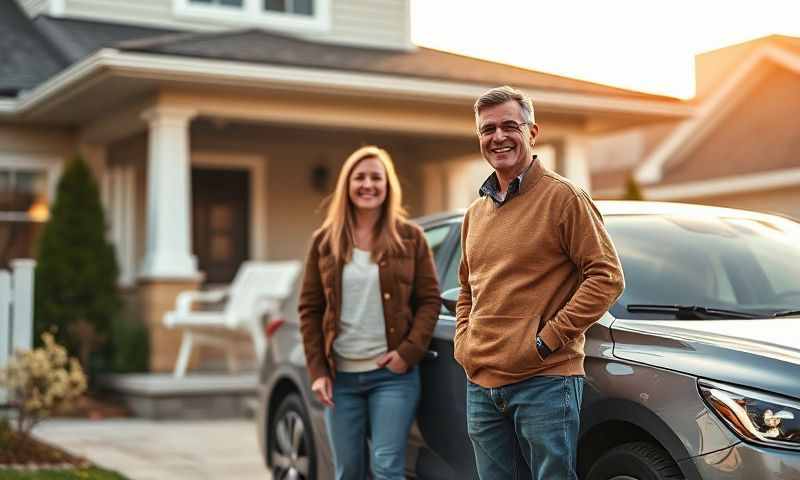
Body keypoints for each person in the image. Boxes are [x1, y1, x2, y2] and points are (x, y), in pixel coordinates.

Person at [454, 86, 625, 480]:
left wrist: (546, 341)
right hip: (482, 383)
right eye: (487, 130)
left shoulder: (564, 198)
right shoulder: (475, 213)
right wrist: (466, 343)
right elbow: (467, 288)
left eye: (509, 126)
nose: (498, 137)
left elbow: (607, 276)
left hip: (545, 382)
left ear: (532, 132)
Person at [298, 145, 441, 480]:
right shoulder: (324, 242)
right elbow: (309, 309)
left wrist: (407, 354)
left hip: (393, 378)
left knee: (387, 466)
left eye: (376, 177)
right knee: (348, 471)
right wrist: (318, 371)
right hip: (340, 378)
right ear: (347, 184)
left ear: (388, 185)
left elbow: (430, 300)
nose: (368, 184)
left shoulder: (411, 238)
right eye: (359, 177)